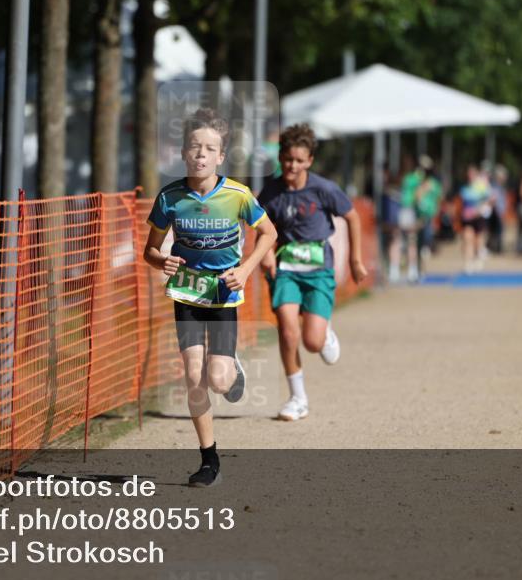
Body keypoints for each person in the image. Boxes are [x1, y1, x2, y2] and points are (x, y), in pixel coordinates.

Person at [143, 108, 277, 487]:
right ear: (184, 153)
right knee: (192, 375)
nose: (201, 154)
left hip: (222, 297)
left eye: (209, 149)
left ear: (221, 156)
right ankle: (208, 459)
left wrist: (247, 269)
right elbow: (149, 251)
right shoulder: (170, 198)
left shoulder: (238, 195)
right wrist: (162, 261)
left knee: (218, 380)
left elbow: (269, 233)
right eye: (194, 147)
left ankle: (231, 369)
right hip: (186, 294)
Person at [256, 124, 367, 422]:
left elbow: (353, 217)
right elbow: (262, 228)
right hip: (287, 270)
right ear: (280, 157)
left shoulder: (324, 189)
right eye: (287, 159)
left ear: (309, 161)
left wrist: (355, 261)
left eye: (298, 160)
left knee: (312, 342)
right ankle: (297, 398)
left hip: (319, 271)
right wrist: (265, 253)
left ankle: (324, 331)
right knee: (287, 331)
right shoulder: (271, 192)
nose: (292, 165)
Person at [460, 164, 491, 274]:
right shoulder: (464, 187)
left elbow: (489, 200)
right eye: (469, 174)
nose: (470, 176)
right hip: (467, 218)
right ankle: (468, 263)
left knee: (478, 240)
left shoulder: (482, 187)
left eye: (473, 174)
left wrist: (480, 209)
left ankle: (478, 259)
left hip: (479, 218)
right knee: (468, 239)